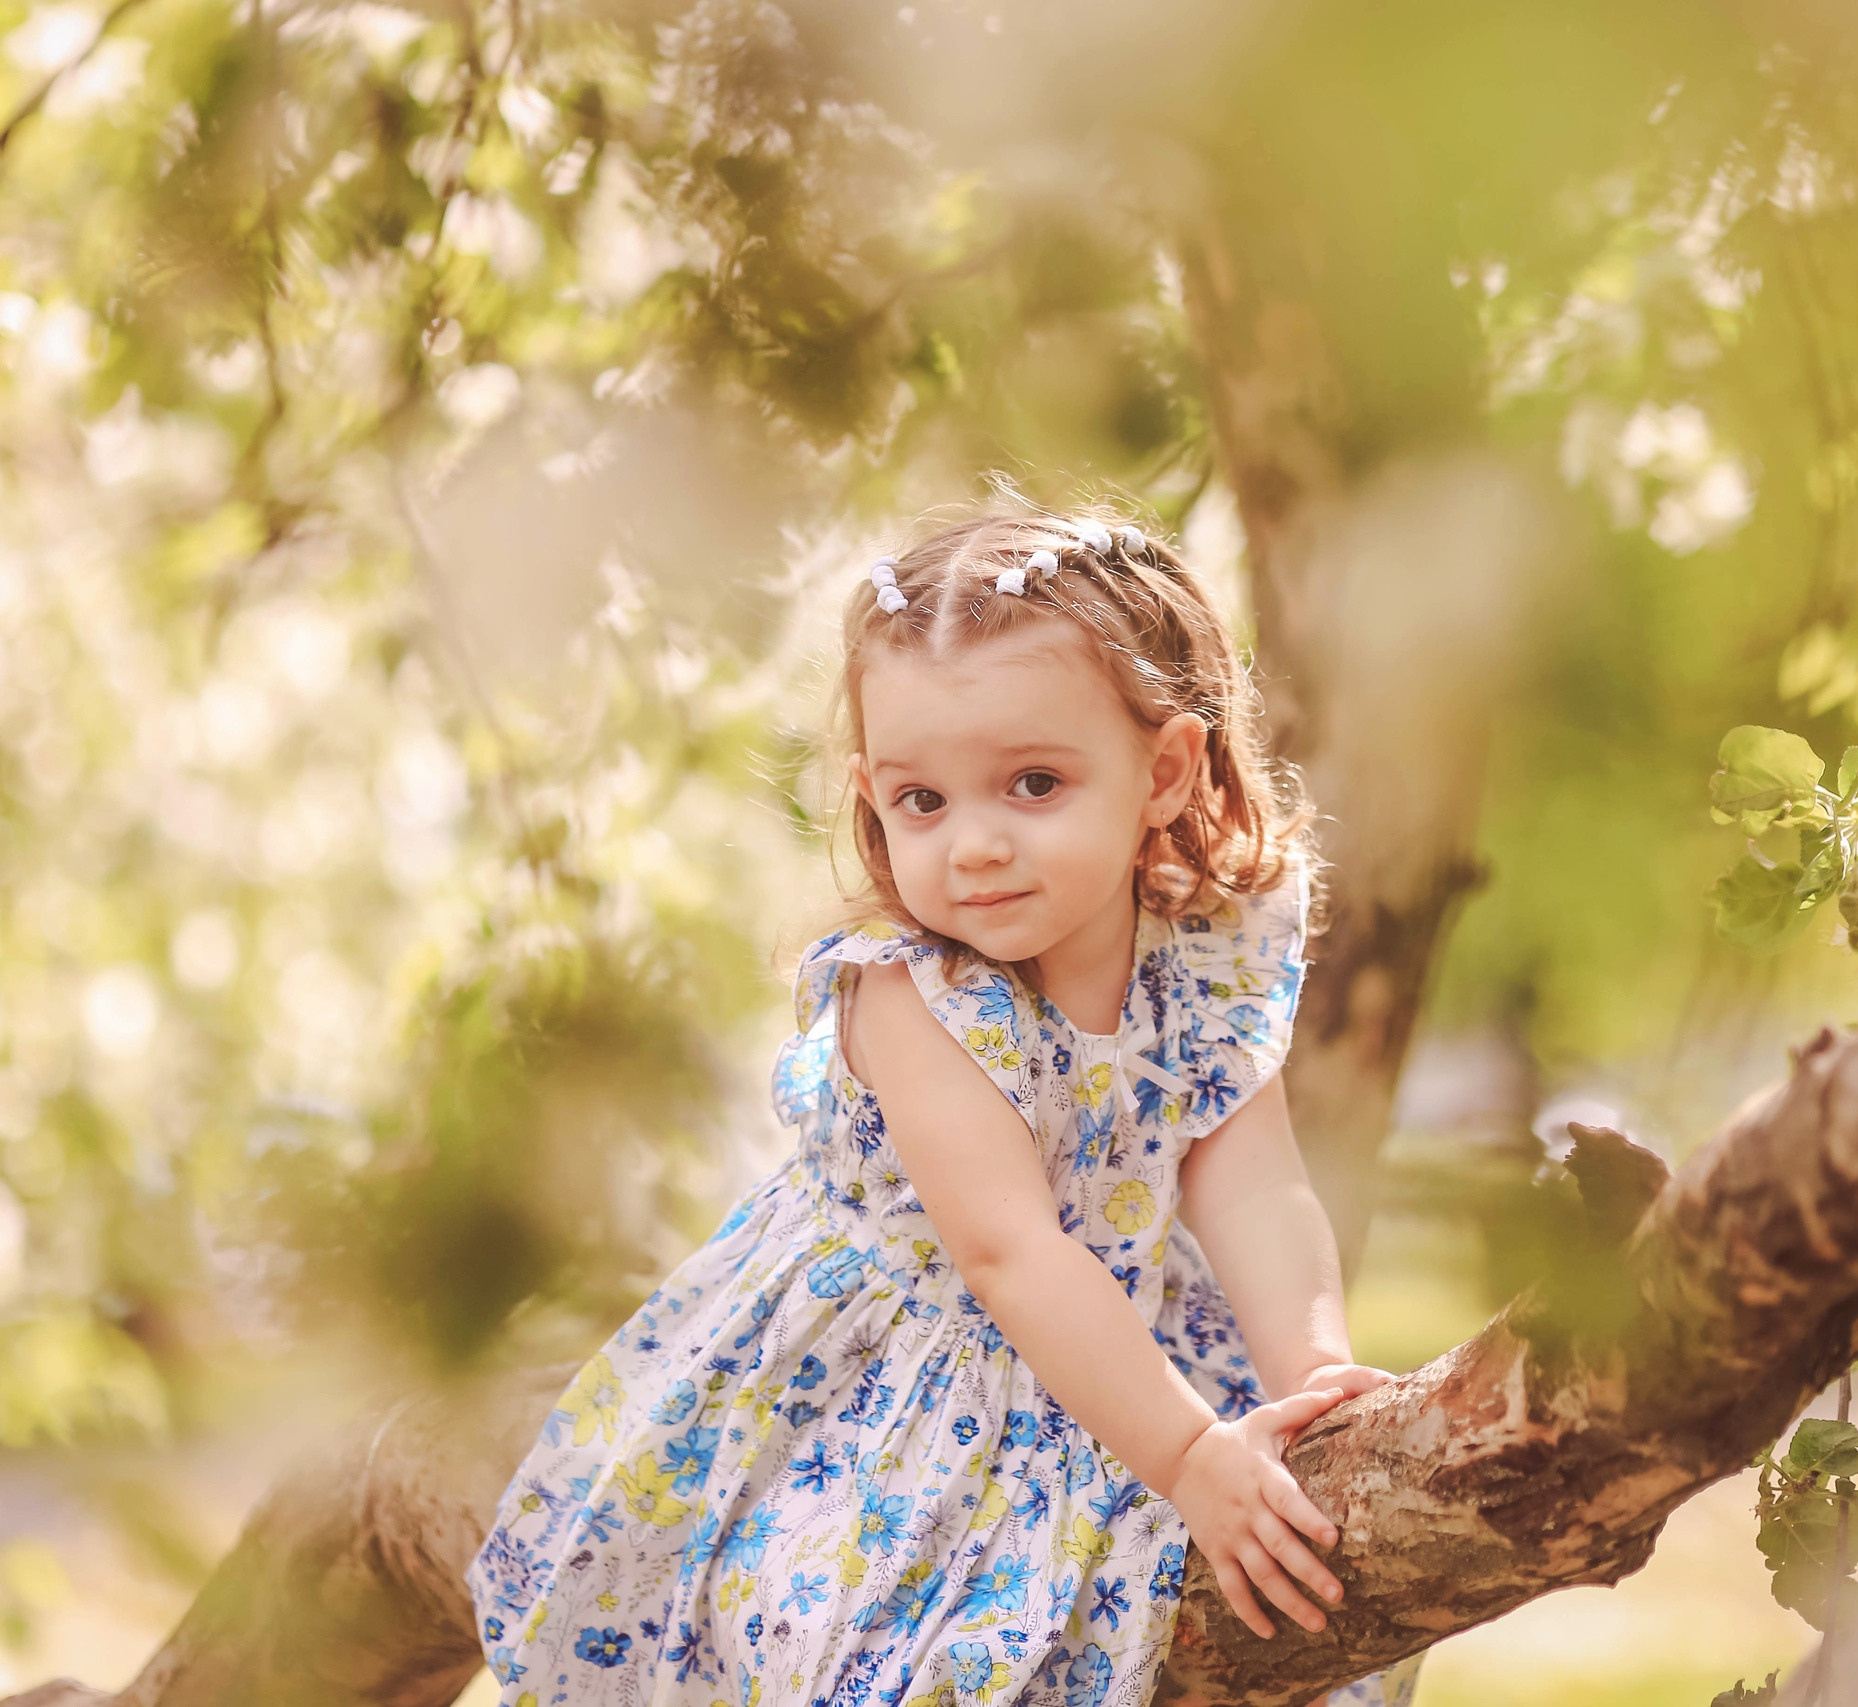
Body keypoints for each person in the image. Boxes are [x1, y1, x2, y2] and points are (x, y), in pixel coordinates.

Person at [468, 511, 1401, 1706]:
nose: (975, 846)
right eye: (923, 802)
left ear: (1162, 773)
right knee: (888, 1653)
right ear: (870, 795)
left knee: (1283, 1586)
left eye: (1032, 784)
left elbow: (1251, 1176)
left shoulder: (1198, 955)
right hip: (902, 1380)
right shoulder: (919, 997)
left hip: (1124, 1342)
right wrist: (1186, 1458)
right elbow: (1006, 1252)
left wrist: (1311, 1374)